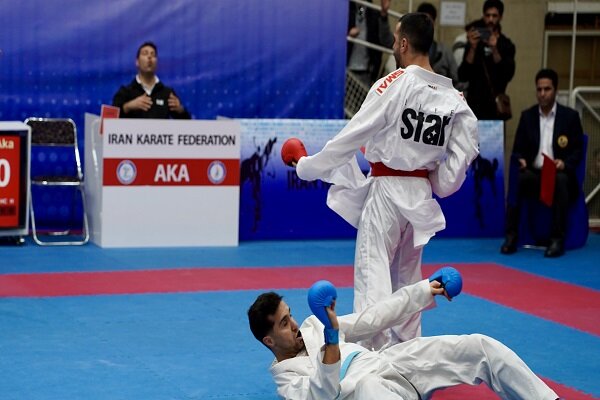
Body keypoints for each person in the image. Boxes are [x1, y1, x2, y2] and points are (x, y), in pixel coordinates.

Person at [294, 13, 479, 350]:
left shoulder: (395, 83)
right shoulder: (455, 100)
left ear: (404, 43)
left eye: (395, 39)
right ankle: (410, 357)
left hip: (387, 194)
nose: (393, 45)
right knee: (409, 282)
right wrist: (433, 180)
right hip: (421, 197)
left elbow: (352, 135)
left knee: (373, 278)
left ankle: (372, 360)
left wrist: (307, 167)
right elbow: (454, 173)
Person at [247, 279, 561, 400]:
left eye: (291, 316)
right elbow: (324, 392)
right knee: (370, 390)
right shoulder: (287, 383)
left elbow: (374, 318)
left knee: (477, 347)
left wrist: (423, 290)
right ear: (269, 341)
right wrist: (331, 338)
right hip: (367, 391)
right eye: (285, 324)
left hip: (394, 362)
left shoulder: (315, 326)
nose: (296, 325)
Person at [501, 68, 584, 258]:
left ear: (555, 90)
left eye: (547, 89)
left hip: (559, 173)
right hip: (535, 173)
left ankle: (556, 240)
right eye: (539, 89)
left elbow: (578, 150)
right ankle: (511, 237)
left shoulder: (570, 117)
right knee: (518, 178)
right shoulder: (527, 116)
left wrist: (564, 163)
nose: (543, 94)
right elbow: (518, 150)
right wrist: (521, 160)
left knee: (561, 180)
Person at [457, 0, 515, 120]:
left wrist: (495, 49)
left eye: (494, 16)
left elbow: (507, 74)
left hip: (495, 108)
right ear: (483, 16)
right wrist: (472, 48)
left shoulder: (506, 44)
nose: (490, 20)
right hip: (474, 107)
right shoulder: (475, 42)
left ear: (500, 17)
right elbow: (462, 74)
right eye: (487, 15)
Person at [112, 41, 191, 119]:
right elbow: (111, 119)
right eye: (145, 53)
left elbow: (187, 123)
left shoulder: (167, 93)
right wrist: (128, 107)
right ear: (137, 62)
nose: (149, 57)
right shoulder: (125, 92)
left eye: (153, 55)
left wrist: (180, 110)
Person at [417, 2, 458, 85]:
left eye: (429, 21)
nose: (425, 25)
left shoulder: (444, 51)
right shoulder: (411, 49)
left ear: (434, 22)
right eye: (422, 21)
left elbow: (455, 78)